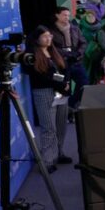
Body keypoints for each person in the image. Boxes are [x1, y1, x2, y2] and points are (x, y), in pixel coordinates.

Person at [27, 26, 71, 172]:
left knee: (60, 125)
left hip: (60, 93)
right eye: (45, 36)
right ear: (37, 38)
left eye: (50, 36)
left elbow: (62, 70)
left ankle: (59, 153)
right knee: (48, 128)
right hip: (44, 93)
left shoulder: (53, 51)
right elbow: (41, 76)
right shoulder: (32, 54)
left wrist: (65, 83)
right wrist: (60, 84)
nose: (48, 38)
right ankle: (47, 161)